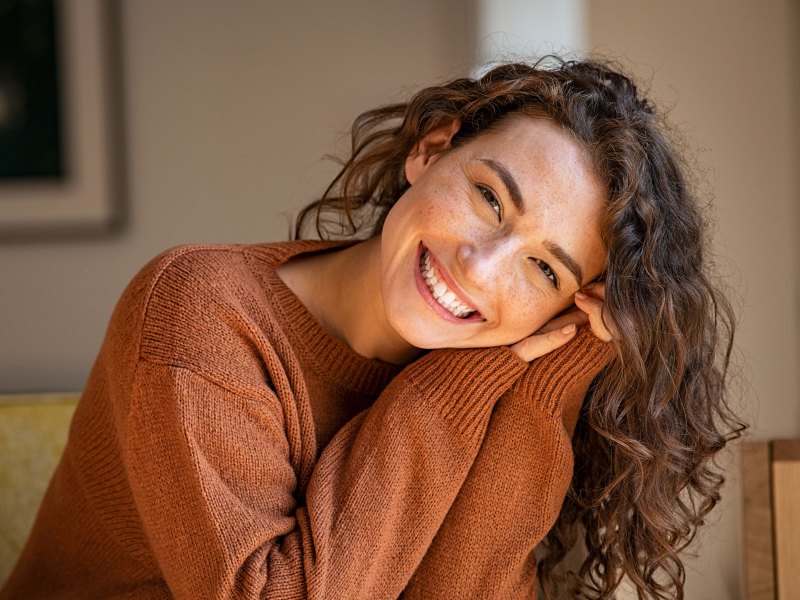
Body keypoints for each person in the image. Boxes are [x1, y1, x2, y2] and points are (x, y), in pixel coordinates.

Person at [1, 57, 744, 599]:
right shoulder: (200, 310)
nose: (481, 269)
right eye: (490, 198)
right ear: (430, 151)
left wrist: (546, 379)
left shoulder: (500, 368)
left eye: (545, 271)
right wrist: (460, 380)